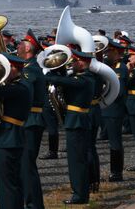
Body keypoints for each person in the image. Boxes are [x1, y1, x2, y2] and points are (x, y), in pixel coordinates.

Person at [46, 49, 95, 205]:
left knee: (76, 161)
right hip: (75, 121)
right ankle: (80, 192)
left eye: (74, 61)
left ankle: (80, 195)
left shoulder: (85, 79)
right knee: (76, 159)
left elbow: (59, 81)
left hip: (77, 122)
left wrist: (50, 73)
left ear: (82, 63)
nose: (71, 64)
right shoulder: (79, 77)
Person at [0, 53, 31, 209]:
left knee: (7, 184)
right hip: (11, 136)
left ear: (14, 69)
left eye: (7, 67)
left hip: (10, 138)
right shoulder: (18, 86)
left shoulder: (19, 88)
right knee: (13, 181)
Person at [17, 29, 46, 209]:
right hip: (28, 120)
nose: (18, 46)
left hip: (31, 120)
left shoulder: (30, 70)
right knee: (25, 166)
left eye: (21, 44)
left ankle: (34, 204)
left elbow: (23, 92)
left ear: (28, 49)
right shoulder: (28, 68)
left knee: (27, 166)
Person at [100, 39, 128, 181]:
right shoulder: (111, 67)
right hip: (108, 109)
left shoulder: (120, 69)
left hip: (114, 110)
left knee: (115, 142)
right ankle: (115, 171)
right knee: (112, 141)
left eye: (109, 52)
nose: (106, 55)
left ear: (117, 53)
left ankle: (116, 172)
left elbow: (119, 91)